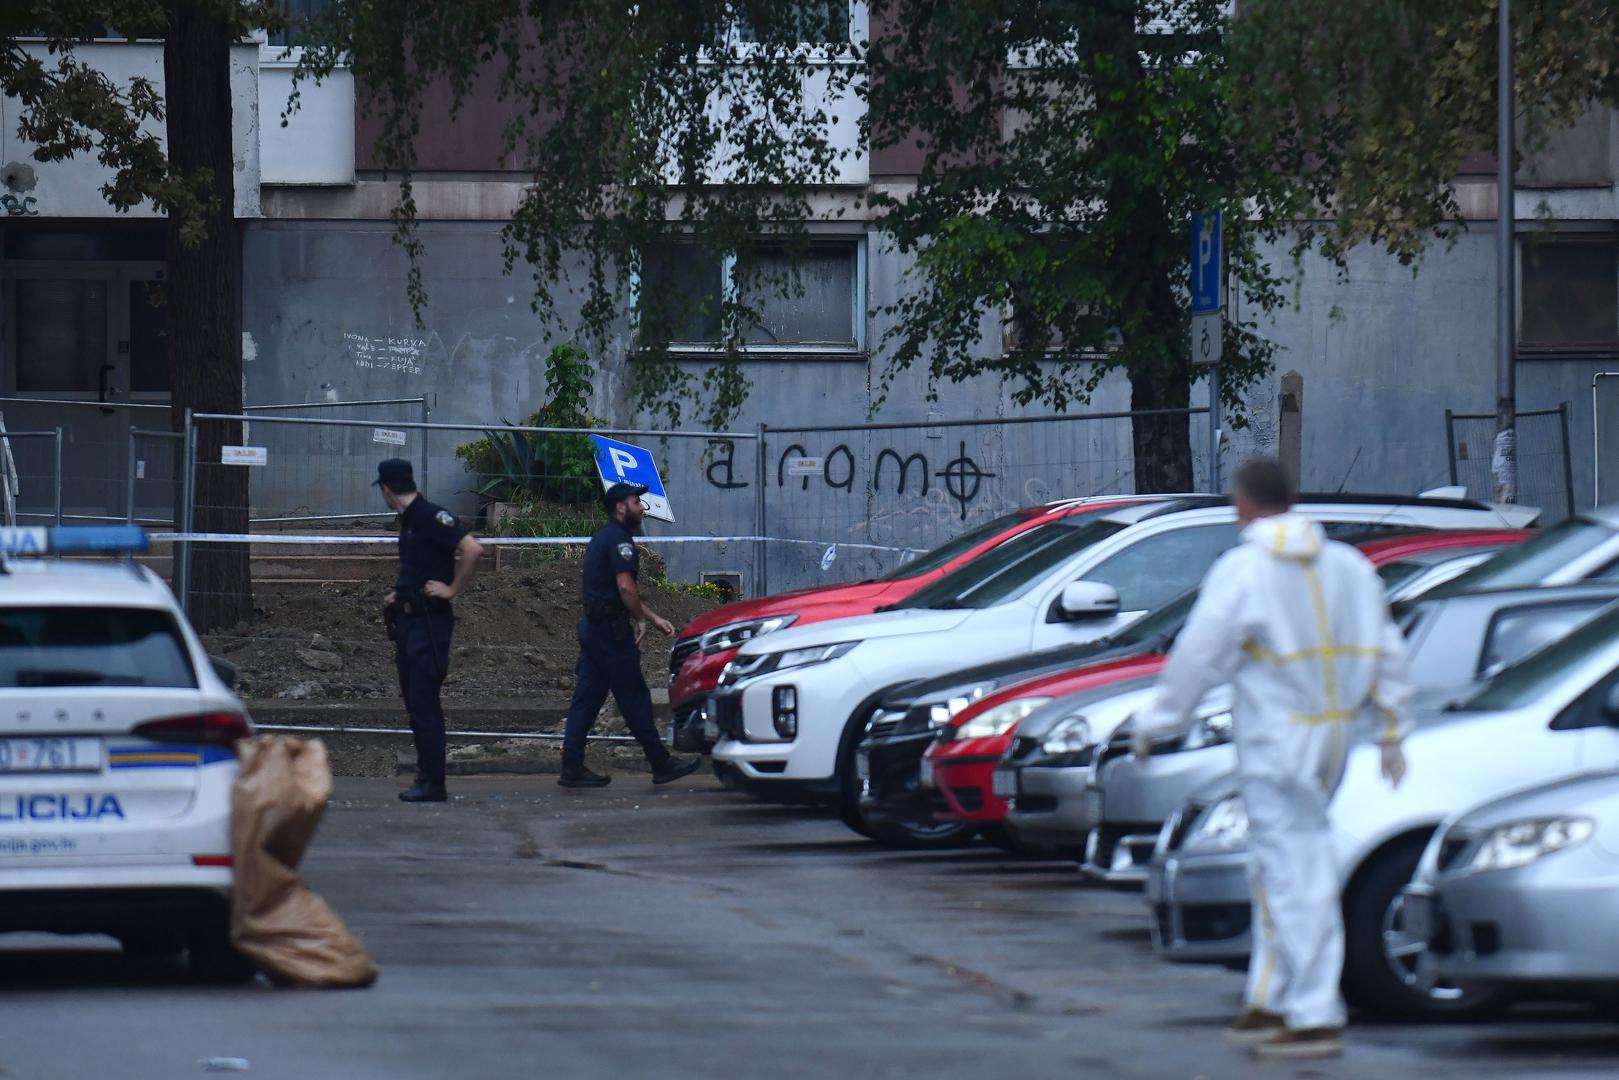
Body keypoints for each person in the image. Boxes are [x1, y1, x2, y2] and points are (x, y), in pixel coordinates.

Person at [1132, 458, 1410, 1061]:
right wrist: (1391, 729)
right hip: (1336, 737)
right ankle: (1271, 997)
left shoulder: (1245, 568)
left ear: (1244, 503)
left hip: (1277, 740)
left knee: (1293, 872)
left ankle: (1313, 1013)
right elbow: (1388, 648)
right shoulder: (1347, 566)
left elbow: (1198, 654)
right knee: (1276, 867)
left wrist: (1159, 721)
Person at [559, 482, 701, 788]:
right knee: (634, 697)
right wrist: (642, 619)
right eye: (637, 501)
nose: (642, 507)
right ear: (621, 507)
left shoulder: (604, 537)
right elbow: (625, 588)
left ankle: (571, 767)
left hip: (595, 628)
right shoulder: (621, 541)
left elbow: (620, 591)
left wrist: (650, 617)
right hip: (610, 634)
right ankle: (661, 763)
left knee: (587, 698)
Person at [377, 458, 484, 804]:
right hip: (410, 622)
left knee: (424, 704)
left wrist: (452, 588)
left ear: (387, 490)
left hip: (428, 625)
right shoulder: (410, 520)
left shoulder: (430, 516)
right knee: (415, 702)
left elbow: (473, 548)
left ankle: (432, 781)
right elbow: (419, 568)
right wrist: (400, 593)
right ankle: (426, 777)